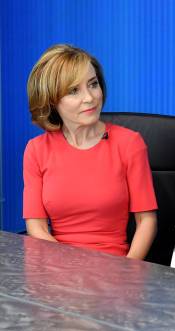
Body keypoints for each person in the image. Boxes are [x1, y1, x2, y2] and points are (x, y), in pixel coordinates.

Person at [23, 44, 157, 258]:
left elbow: (146, 221)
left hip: (114, 271)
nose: (90, 98)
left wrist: (128, 272)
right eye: (73, 91)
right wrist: (71, 268)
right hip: (57, 269)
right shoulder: (36, 150)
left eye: (93, 84)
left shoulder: (130, 143)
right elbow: (36, 228)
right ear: (51, 100)